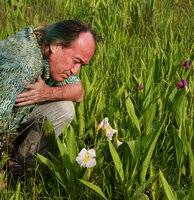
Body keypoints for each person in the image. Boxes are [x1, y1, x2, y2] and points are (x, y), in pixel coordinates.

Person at [0, 20, 96, 177]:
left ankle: (19, 171)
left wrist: (47, 93)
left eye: (82, 65)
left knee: (64, 108)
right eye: (76, 61)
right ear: (56, 46)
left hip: (12, 116)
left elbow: (78, 92)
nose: (75, 71)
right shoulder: (23, 65)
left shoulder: (49, 46)